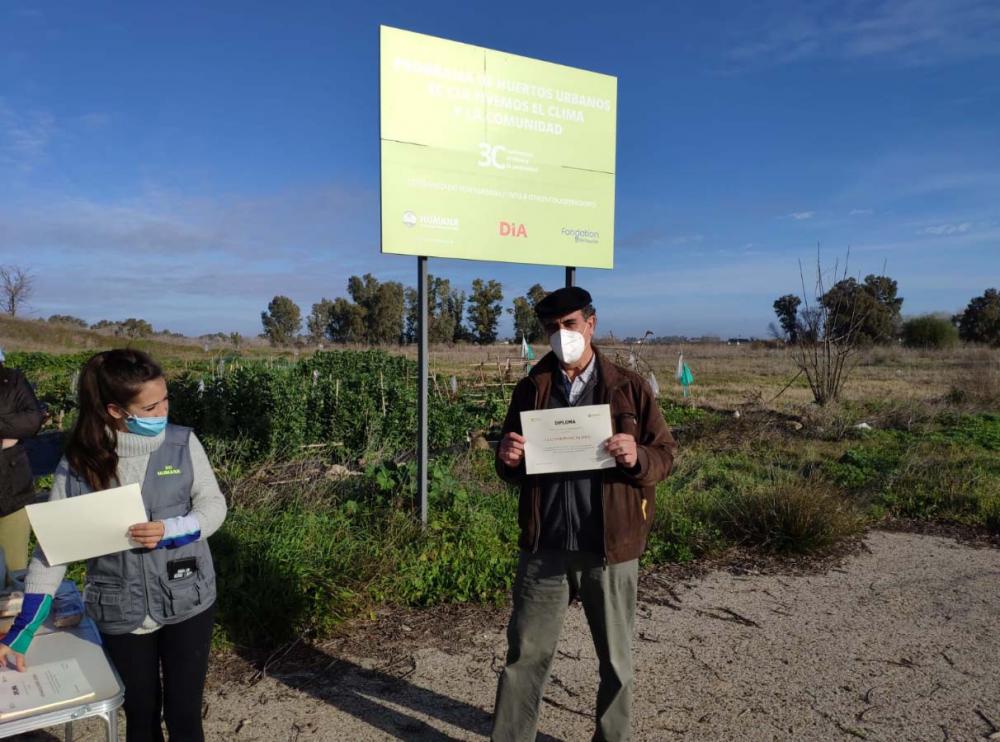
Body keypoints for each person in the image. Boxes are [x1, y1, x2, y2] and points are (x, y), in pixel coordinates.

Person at [0, 349, 227, 742]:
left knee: (185, 715)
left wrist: (174, 528)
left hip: (188, 599)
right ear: (116, 410)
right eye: (151, 406)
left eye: (165, 400)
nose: (163, 412)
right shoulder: (78, 464)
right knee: (140, 715)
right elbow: (54, 551)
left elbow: (213, 505)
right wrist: (23, 629)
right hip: (119, 610)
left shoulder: (183, 443)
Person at [490, 287, 677, 742]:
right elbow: (511, 462)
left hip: (609, 549)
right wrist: (507, 458)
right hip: (545, 547)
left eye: (570, 325)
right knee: (524, 657)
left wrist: (637, 457)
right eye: (552, 329)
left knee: (616, 660)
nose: (561, 336)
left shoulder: (629, 388)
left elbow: (666, 454)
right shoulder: (531, 388)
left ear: (591, 324)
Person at [0, 346, 45, 575]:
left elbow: (32, 421)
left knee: (14, 569)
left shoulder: (13, 380)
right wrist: (7, 431)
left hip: (13, 490)